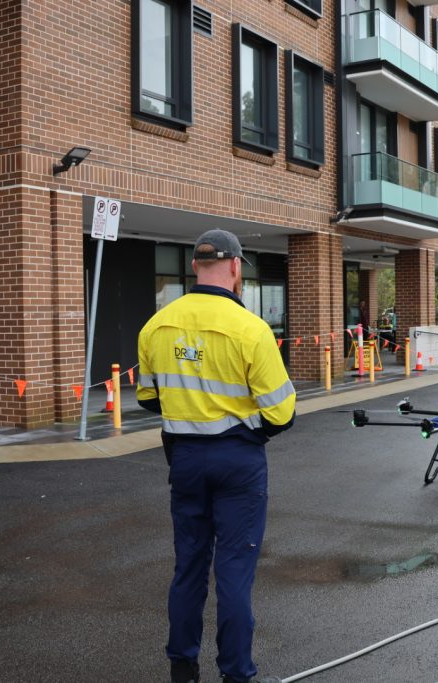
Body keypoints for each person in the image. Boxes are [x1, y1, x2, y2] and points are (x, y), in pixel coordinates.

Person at [137, 229, 295, 683]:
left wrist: (191, 409)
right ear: (235, 267)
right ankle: (236, 673)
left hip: (184, 459)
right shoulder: (251, 329)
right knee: (234, 571)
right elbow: (282, 413)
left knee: (188, 566)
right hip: (238, 462)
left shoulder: (157, 325)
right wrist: (242, 428)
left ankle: (182, 667)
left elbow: (150, 397)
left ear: (194, 266)